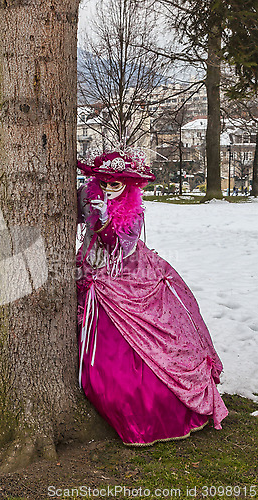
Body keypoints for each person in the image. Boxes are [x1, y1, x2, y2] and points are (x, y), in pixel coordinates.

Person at [76, 148, 228, 446]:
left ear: (129, 185)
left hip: (125, 279)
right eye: (103, 182)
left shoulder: (133, 212)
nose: (108, 189)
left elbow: (121, 247)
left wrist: (105, 221)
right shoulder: (90, 197)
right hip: (89, 274)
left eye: (115, 184)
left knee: (139, 346)